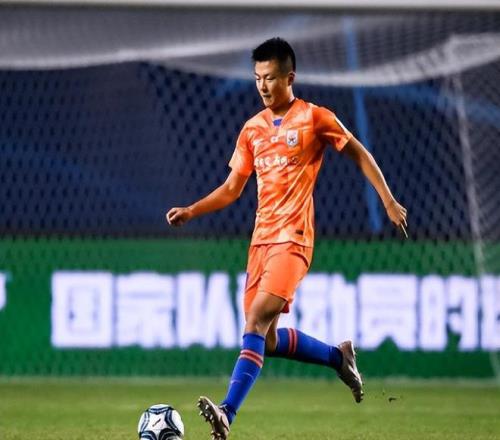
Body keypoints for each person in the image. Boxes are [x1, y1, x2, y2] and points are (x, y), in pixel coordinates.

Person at [166, 37, 408, 440]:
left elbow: (359, 153)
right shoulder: (252, 129)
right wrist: (192, 210)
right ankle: (338, 358)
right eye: (257, 78)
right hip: (260, 242)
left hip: (294, 240)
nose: (262, 86)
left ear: (289, 78)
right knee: (268, 339)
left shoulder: (314, 118)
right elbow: (232, 188)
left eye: (270, 78)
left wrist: (388, 200)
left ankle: (227, 412)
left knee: (256, 320)